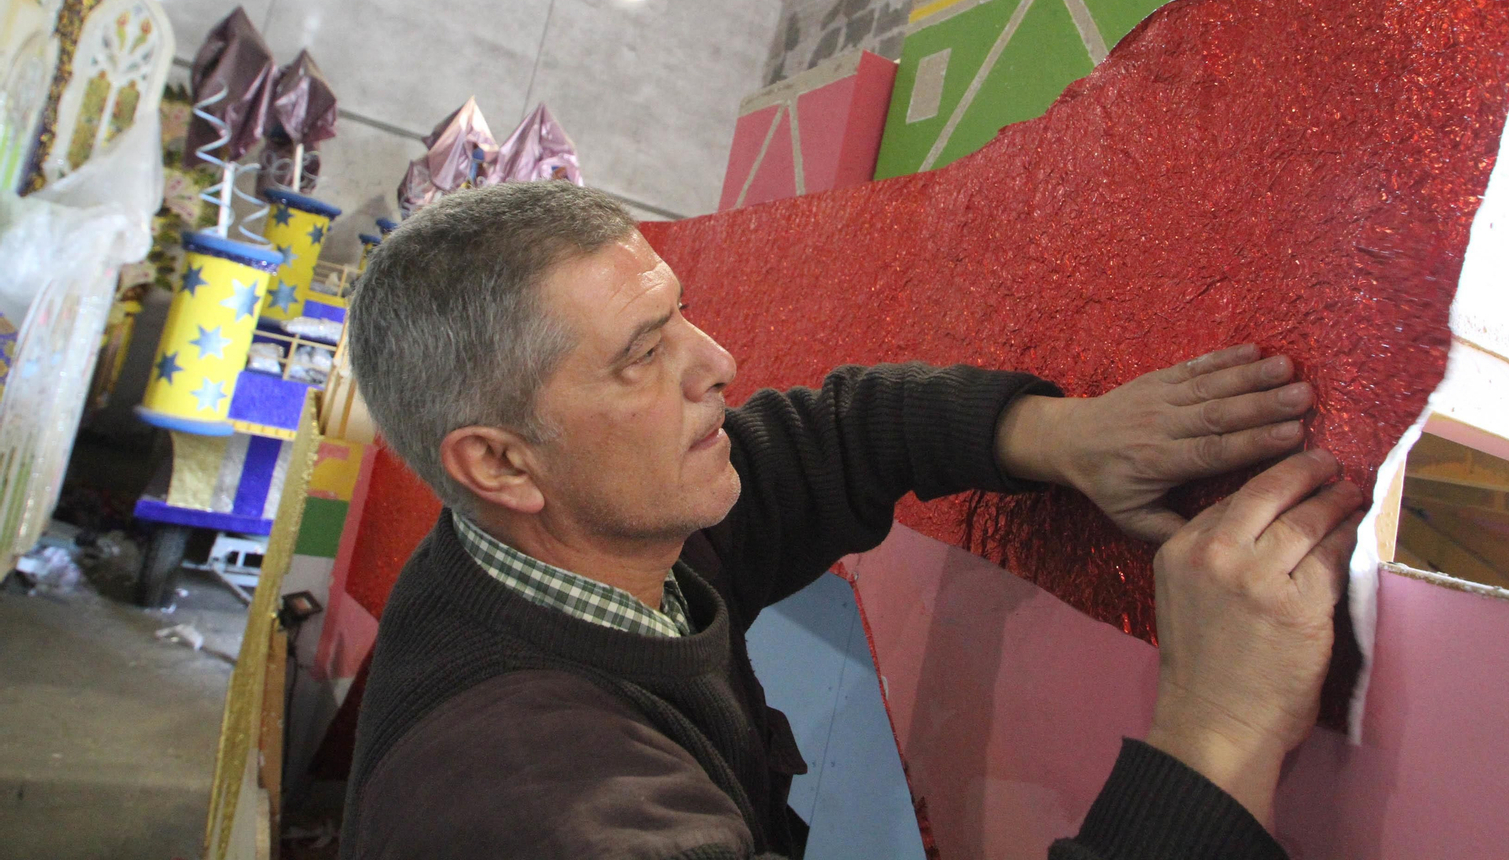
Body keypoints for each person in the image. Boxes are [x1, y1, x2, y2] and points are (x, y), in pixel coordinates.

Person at [340, 182, 1363, 860]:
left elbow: (833, 438)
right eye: (643, 355)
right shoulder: (549, 810)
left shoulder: (576, 534)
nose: (717, 362)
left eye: (679, 312)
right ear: (500, 462)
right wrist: (1219, 731)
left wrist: (1067, 435)